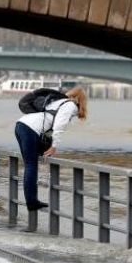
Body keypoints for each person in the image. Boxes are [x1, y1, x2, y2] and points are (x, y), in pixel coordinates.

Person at [14, 86, 88, 215]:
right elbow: (59, 126)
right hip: (30, 129)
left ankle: (32, 200)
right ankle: (32, 202)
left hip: (21, 125)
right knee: (31, 165)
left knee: (30, 164)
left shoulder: (57, 101)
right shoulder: (69, 105)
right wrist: (54, 146)